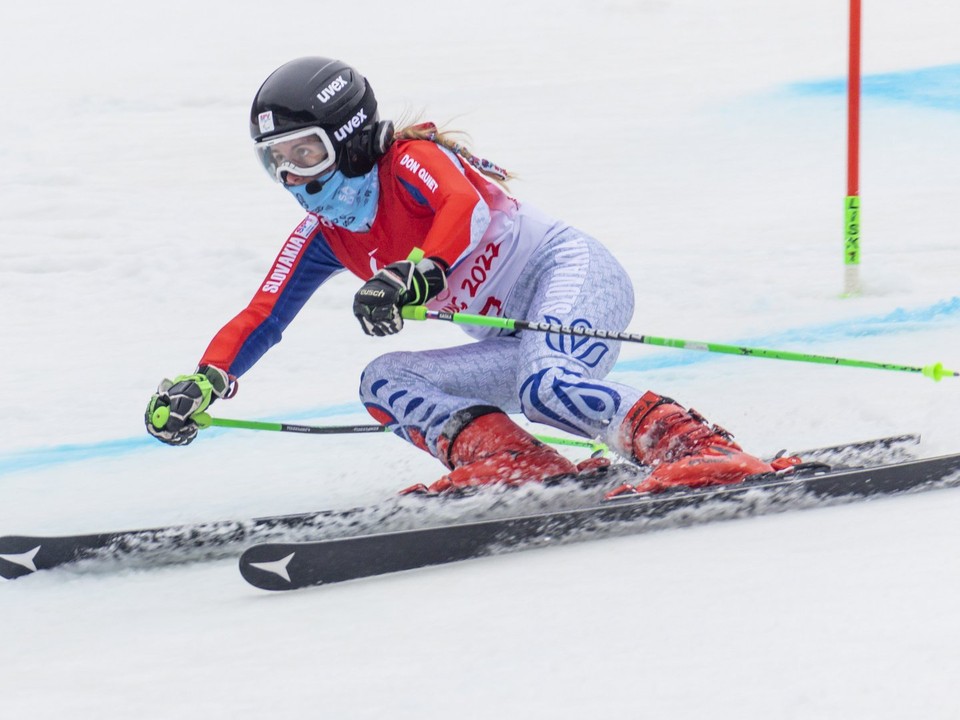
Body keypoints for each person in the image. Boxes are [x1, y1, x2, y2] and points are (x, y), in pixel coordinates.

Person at [145, 56, 773, 495]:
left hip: (573, 275)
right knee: (385, 380)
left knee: (546, 383)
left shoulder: (411, 160)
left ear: (351, 137)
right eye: (276, 162)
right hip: (511, 339)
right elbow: (262, 315)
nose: (293, 178)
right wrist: (204, 382)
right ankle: (513, 462)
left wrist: (415, 274)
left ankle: (698, 450)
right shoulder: (324, 236)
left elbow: (462, 208)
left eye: (305, 153)